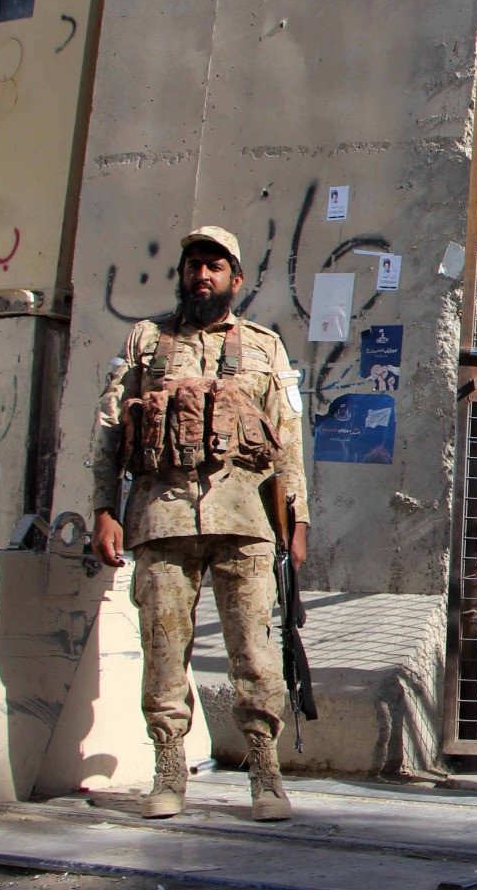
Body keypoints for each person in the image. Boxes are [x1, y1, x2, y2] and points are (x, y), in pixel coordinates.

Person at [90, 226, 311, 822]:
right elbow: (109, 426)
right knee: (164, 649)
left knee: (255, 653)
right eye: (194, 266)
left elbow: (288, 437)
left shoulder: (264, 346)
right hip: (161, 516)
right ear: (182, 274)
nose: (202, 275)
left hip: (246, 517)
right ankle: (169, 769)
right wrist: (103, 509)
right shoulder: (146, 340)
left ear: (236, 279)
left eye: (215, 267)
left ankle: (265, 772)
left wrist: (298, 520)